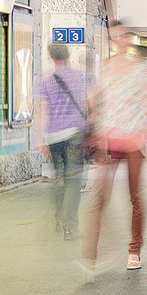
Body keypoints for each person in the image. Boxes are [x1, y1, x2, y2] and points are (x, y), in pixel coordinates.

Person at [83, 21, 147, 274]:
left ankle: (134, 250)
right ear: (111, 40)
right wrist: (93, 119)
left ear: (129, 39)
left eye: (123, 36)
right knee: (99, 198)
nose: (119, 41)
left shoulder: (140, 69)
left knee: (135, 197)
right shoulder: (104, 69)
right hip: (109, 139)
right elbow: (95, 100)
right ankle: (90, 257)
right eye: (114, 37)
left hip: (134, 138)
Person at [35, 42, 89, 241]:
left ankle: (59, 219)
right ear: (68, 55)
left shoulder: (45, 81)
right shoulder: (78, 78)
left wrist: (41, 139)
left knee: (59, 178)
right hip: (74, 133)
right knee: (73, 181)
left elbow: (43, 110)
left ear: (52, 58)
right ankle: (70, 227)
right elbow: (86, 104)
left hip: (53, 136)